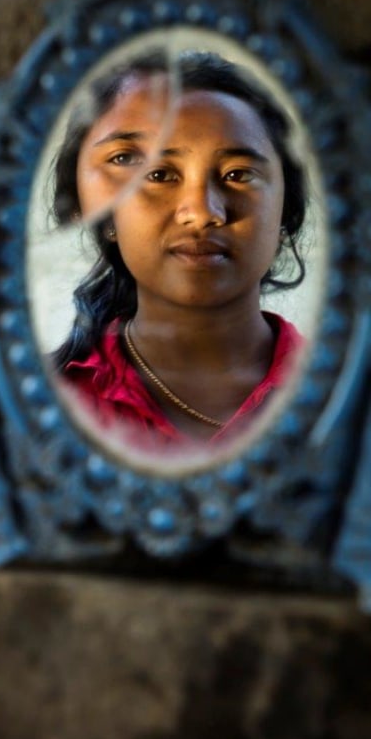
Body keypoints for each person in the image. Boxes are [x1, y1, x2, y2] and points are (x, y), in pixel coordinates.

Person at [50, 50, 307, 454]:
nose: (203, 213)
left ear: (286, 210)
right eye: (158, 175)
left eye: (238, 174)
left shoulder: (350, 395)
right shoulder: (43, 402)